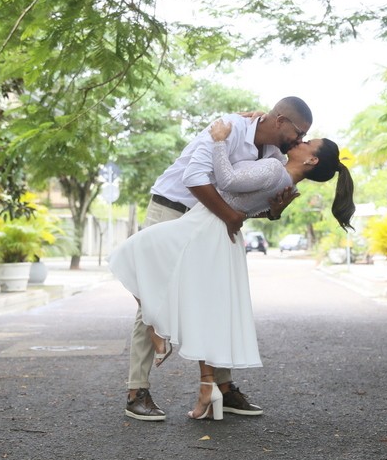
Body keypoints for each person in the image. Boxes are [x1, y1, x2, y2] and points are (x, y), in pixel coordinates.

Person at [111, 118, 355, 420]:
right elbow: (201, 180)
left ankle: (210, 382)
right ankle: (146, 385)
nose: (299, 139)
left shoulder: (272, 159)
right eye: (300, 133)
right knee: (169, 283)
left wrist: (219, 142)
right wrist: (246, 210)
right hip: (179, 206)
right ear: (280, 121)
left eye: (306, 139)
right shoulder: (238, 129)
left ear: (311, 158)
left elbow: (230, 185)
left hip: (208, 225)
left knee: (138, 262)